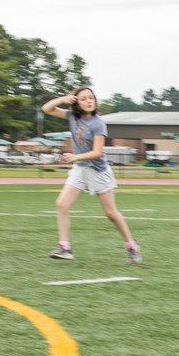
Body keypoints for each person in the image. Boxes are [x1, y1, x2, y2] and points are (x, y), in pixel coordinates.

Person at [41, 87, 142, 263]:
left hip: (98, 171)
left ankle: (131, 245)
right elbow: (46, 109)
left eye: (91, 98)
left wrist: (75, 156)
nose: (89, 101)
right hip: (80, 169)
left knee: (110, 213)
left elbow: (97, 152)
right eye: (84, 98)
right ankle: (64, 247)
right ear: (76, 102)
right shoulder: (72, 116)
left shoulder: (98, 123)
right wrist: (64, 99)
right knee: (61, 204)